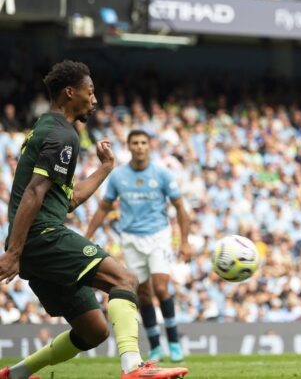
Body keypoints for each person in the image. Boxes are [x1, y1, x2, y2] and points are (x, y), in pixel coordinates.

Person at [0, 60, 188, 379]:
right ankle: (133, 367)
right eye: (90, 92)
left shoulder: (49, 128)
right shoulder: (62, 135)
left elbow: (67, 200)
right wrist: (15, 251)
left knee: (94, 330)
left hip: (35, 240)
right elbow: (33, 192)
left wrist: (104, 169)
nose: (95, 99)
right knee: (125, 280)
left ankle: (15, 374)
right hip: (42, 236)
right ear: (70, 93)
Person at [85, 129, 192, 363]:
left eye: (144, 142)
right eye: (135, 142)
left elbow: (180, 207)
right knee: (143, 293)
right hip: (131, 239)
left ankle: (174, 342)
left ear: (149, 146)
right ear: (129, 146)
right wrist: (87, 235)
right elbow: (104, 207)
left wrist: (184, 241)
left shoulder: (162, 174)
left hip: (158, 236)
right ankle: (155, 346)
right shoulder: (118, 176)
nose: (140, 146)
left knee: (161, 288)